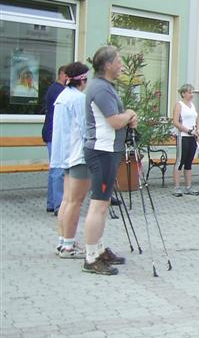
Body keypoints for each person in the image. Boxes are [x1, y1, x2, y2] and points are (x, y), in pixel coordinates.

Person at [82, 46, 136, 275]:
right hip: (102, 151)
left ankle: (100, 249)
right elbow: (114, 121)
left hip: (108, 151)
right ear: (107, 65)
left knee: (103, 205)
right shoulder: (101, 89)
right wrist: (130, 114)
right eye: (118, 60)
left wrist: (128, 117)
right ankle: (91, 257)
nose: (121, 64)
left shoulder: (105, 87)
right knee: (99, 204)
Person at [50, 62, 90, 259]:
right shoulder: (78, 99)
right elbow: (85, 128)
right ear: (82, 80)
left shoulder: (62, 96)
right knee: (76, 201)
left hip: (65, 155)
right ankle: (68, 246)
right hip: (78, 155)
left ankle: (63, 241)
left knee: (67, 200)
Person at [42, 65, 67, 213]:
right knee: (58, 169)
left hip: (51, 133)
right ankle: (58, 205)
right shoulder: (59, 90)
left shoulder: (54, 89)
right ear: (63, 75)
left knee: (54, 169)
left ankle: (52, 203)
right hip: (54, 134)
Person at [171, 84, 199, 197]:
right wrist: (188, 130)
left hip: (192, 137)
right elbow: (176, 122)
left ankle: (188, 186)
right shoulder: (179, 105)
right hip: (183, 136)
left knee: (189, 161)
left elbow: (195, 120)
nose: (191, 94)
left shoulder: (192, 105)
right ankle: (176, 187)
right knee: (180, 161)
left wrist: (197, 130)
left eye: (192, 92)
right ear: (183, 93)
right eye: (189, 92)